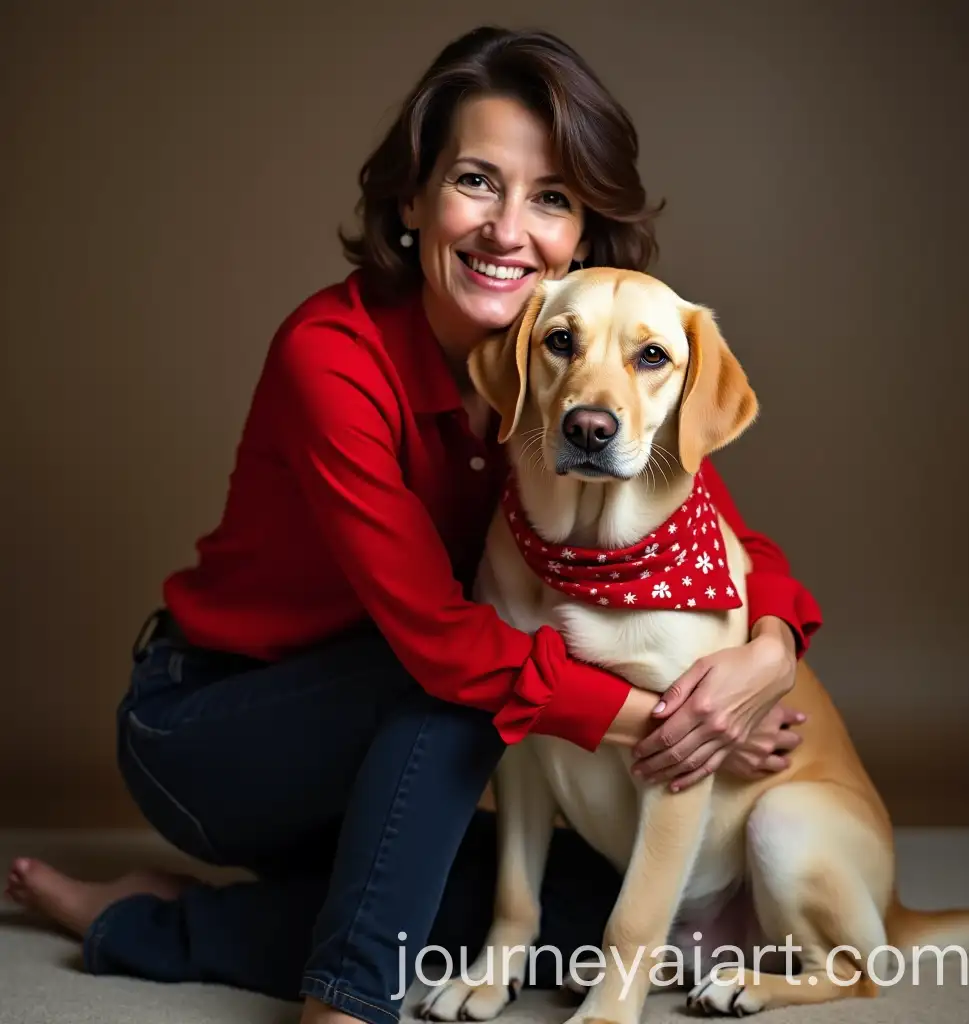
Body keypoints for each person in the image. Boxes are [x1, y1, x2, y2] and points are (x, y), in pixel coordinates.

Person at [4, 24, 822, 1024]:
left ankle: (144, 921)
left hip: (388, 739)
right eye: (477, 181)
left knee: (574, 906)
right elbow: (444, 646)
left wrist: (770, 649)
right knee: (472, 671)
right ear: (411, 199)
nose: (508, 230)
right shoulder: (331, 354)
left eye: (551, 198)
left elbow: (704, 521)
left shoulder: (577, 367)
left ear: (581, 231)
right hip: (215, 732)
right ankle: (344, 1005)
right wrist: (680, 723)